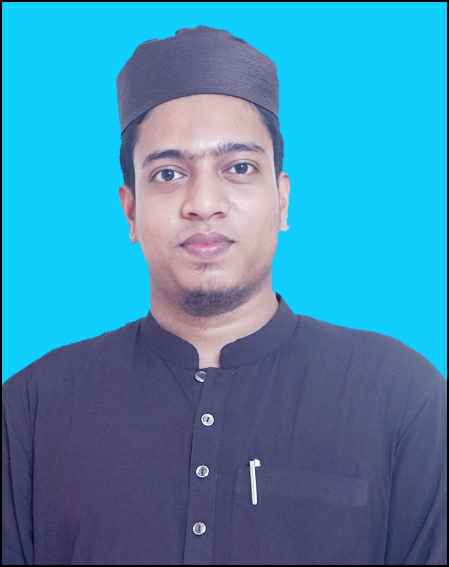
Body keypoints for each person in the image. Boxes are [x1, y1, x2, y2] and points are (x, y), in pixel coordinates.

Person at [2, 25, 446, 566]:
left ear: (281, 200)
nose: (204, 202)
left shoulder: (401, 396)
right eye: (169, 173)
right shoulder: (33, 408)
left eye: (239, 168)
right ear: (131, 211)